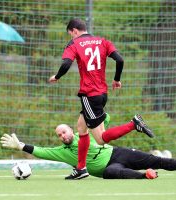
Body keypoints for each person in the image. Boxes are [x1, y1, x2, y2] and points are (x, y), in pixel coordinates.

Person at [48, 18, 155, 179]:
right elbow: (120, 59)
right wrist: (117, 79)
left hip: (89, 95)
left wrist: (57, 76)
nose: (71, 37)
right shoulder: (103, 41)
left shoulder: (74, 44)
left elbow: (66, 64)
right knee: (81, 127)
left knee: (100, 139)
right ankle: (81, 168)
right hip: (101, 93)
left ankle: (134, 124)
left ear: (74, 31)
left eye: (70, 34)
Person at [0, 114, 176, 179]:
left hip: (118, 153)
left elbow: (104, 121)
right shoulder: (62, 152)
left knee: (160, 161)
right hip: (109, 168)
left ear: (72, 131)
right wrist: (20, 146)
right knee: (111, 172)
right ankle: (146, 176)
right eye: (58, 134)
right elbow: (40, 151)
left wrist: (95, 112)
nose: (62, 135)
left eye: (64, 131)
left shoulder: (86, 133)